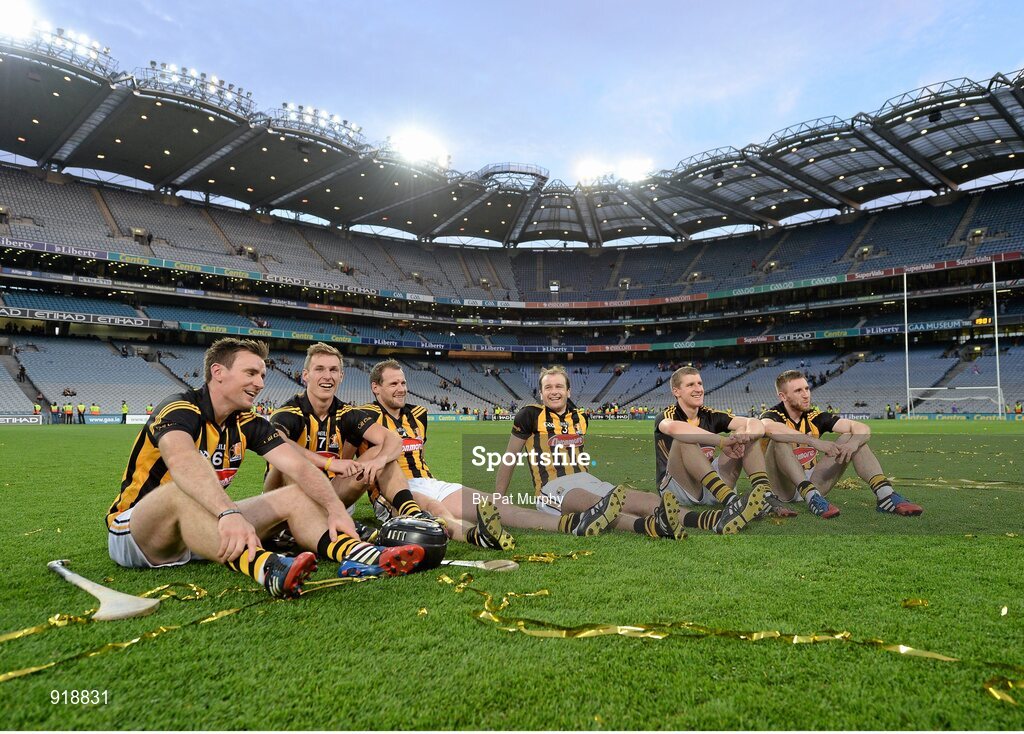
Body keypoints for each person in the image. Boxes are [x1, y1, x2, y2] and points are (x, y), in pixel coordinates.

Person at [105, 338, 424, 599]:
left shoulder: (248, 422)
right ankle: (267, 567)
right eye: (251, 373)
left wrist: (334, 509)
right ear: (218, 372)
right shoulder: (180, 408)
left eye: (262, 375)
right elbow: (182, 461)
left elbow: (299, 466)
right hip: (136, 531)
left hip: (206, 531)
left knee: (295, 496)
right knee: (178, 491)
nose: (260, 383)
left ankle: (356, 551)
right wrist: (228, 513)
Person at [359, 360, 623, 547]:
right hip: (393, 489)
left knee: (496, 505)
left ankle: (571, 524)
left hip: (430, 482)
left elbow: (419, 456)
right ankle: (474, 535)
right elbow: (351, 463)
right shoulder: (361, 417)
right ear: (375, 387)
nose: (401, 388)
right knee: (433, 508)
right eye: (393, 383)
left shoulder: (418, 415)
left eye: (403, 382)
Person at [264, 345, 437, 551]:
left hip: (330, 493)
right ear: (305, 375)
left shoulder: (346, 412)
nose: (327, 376)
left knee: (379, 452)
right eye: (320, 369)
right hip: (284, 495)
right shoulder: (289, 412)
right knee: (291, 462)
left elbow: (392, 440)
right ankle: (331, 523)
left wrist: (379, 461)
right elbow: (278, 443)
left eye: (333, 370)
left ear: (341, 376)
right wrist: (329, 463)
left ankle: (412, 514)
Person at [494, 366, 677, 540]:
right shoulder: (529, 415)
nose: (554, 391)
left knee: (645, 499)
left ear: (568, 391)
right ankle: (649, 526)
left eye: (559, 386)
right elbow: (510, 457)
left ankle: (683, 519)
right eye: (548, 387)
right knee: (592, 502)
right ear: (541, 394)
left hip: (587, 480)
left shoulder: (580, 418)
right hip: (552, 487)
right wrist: (499, 499)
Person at [760, 370, 924, 518]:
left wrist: (853, 444)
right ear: (783, 396)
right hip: (782, 487)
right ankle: (810, 496)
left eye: (807, 389)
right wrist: (813, 441)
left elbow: (861, 427)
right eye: (798, 391)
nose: (806, 395)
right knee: (778, 440)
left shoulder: (814, 416)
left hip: (814, 483)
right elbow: (770, 428)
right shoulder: (772, 414)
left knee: (852, 437)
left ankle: (885, 494)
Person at [653, 367, 775, 535]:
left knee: (748, 438)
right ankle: (732, 501)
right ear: (676, 391)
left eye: (700, 383)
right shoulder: (668, 415)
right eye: (690, 385)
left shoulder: (710, 414)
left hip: (710, 485)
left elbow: (755, 422)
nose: (698, 389)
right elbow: (675, 428)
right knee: (684, 439)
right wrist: (721, 441)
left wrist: (744, 435)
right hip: (679, 488)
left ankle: (766, 498)